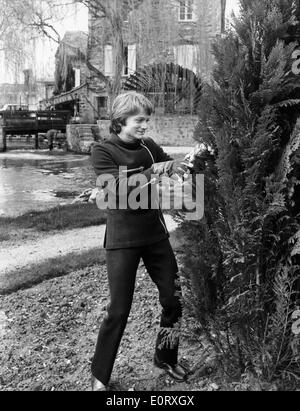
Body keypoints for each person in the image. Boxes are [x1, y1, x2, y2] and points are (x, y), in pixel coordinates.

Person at [90, 91, 190, 391]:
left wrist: (185, 163)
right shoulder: (102, 150)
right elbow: (115, 188)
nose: (145, 126)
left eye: (147, 119)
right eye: (139, 120)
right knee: (119, 309)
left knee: (174, 300)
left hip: (154, 234)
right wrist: (155, 170)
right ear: (121, 120)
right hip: (122, 238)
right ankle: (100, 374)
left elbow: (170, 165)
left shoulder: (149, 147)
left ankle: (166, 357)